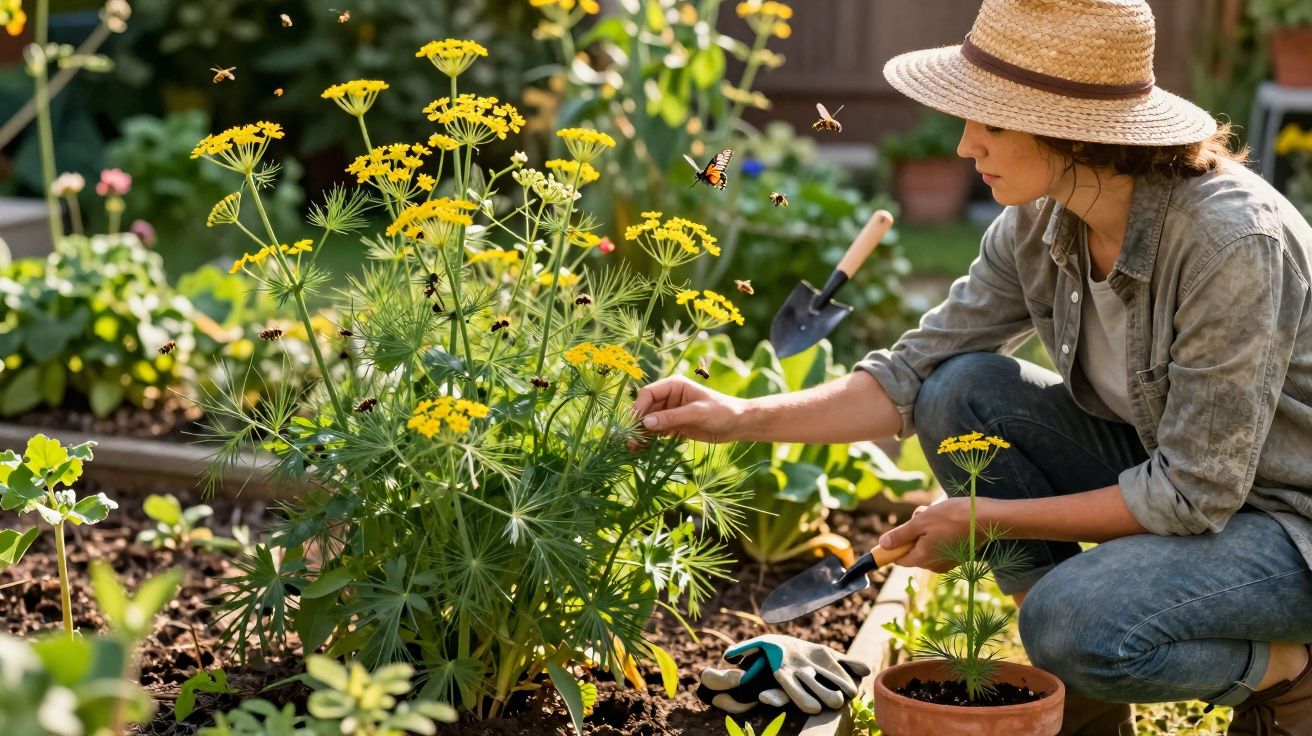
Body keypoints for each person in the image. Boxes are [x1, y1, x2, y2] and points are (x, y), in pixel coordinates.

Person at [631, 1, 1312, 734]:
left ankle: (1291, 677)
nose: (962, 146)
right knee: (958, 392)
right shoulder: (1040, 223)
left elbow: (1194, 493)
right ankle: (1081, 698)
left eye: (988, 123)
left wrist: (983, 520)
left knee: (1071, 619)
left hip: (1287, 523)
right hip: (1183, 478)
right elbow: (912, 372)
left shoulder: (1231, 244)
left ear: (1069, 131)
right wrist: (735, 419)